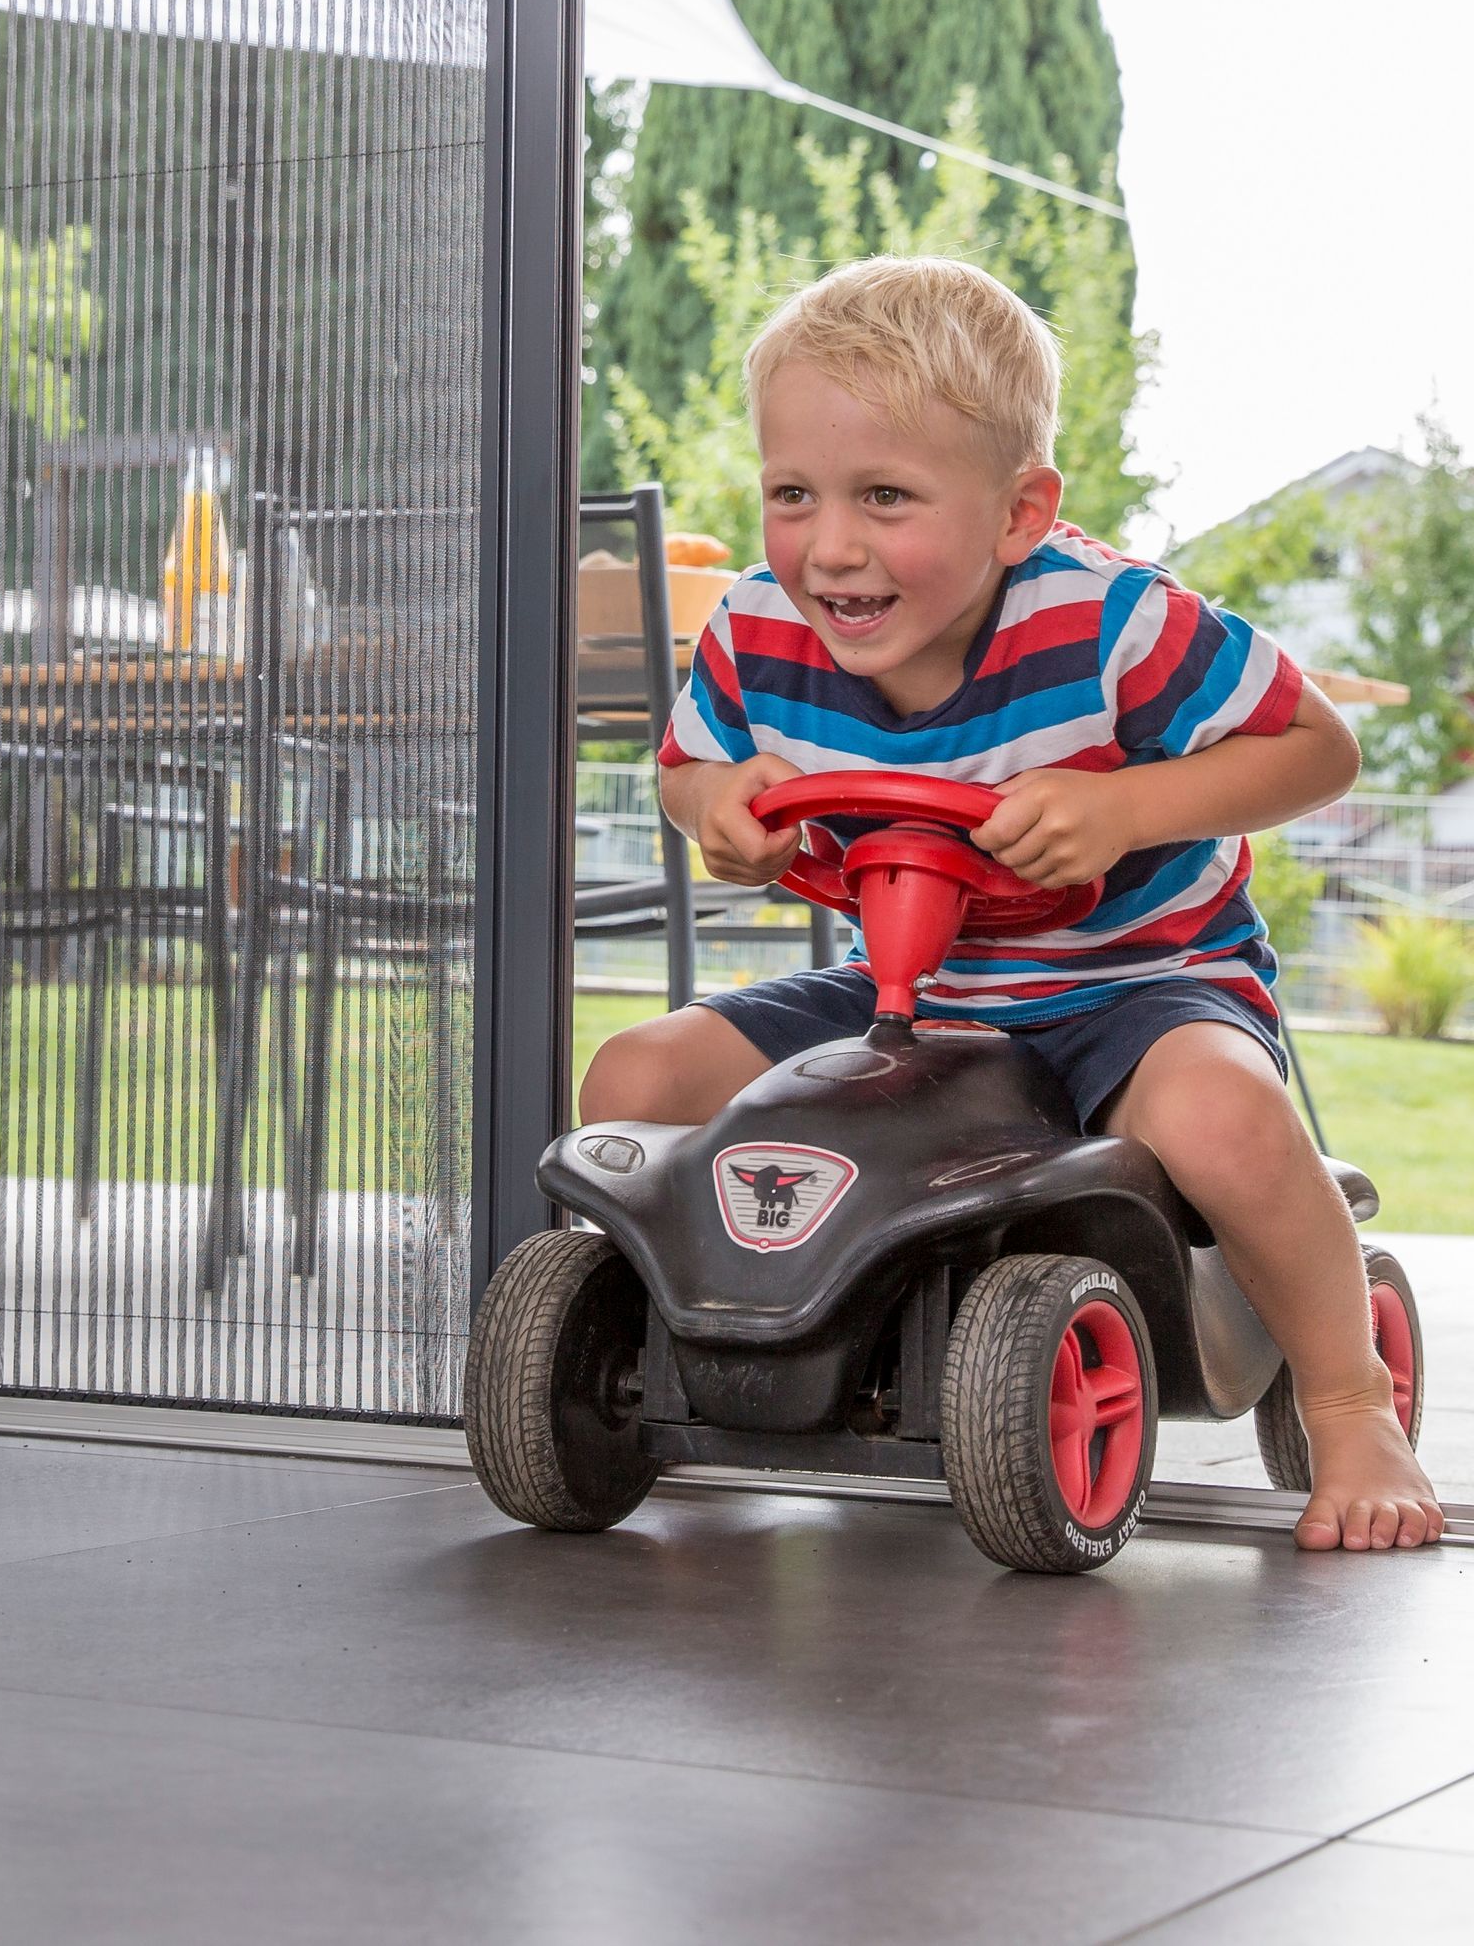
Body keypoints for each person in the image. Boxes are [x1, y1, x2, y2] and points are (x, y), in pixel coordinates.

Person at [580, 256, 1443, 1555]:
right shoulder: (757, 630)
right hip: (911, 995)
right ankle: (691, 1347)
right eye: (792, 493)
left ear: (1018, 510)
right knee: (635, 1072)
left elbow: (1318, 749)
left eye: (886, 497)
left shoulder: (1115, 623)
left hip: (1135, 985)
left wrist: (1127, 809)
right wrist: (716, 807)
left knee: (1222, 1117)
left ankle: (1346, 1395)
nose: (832, 545)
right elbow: (685, 763)